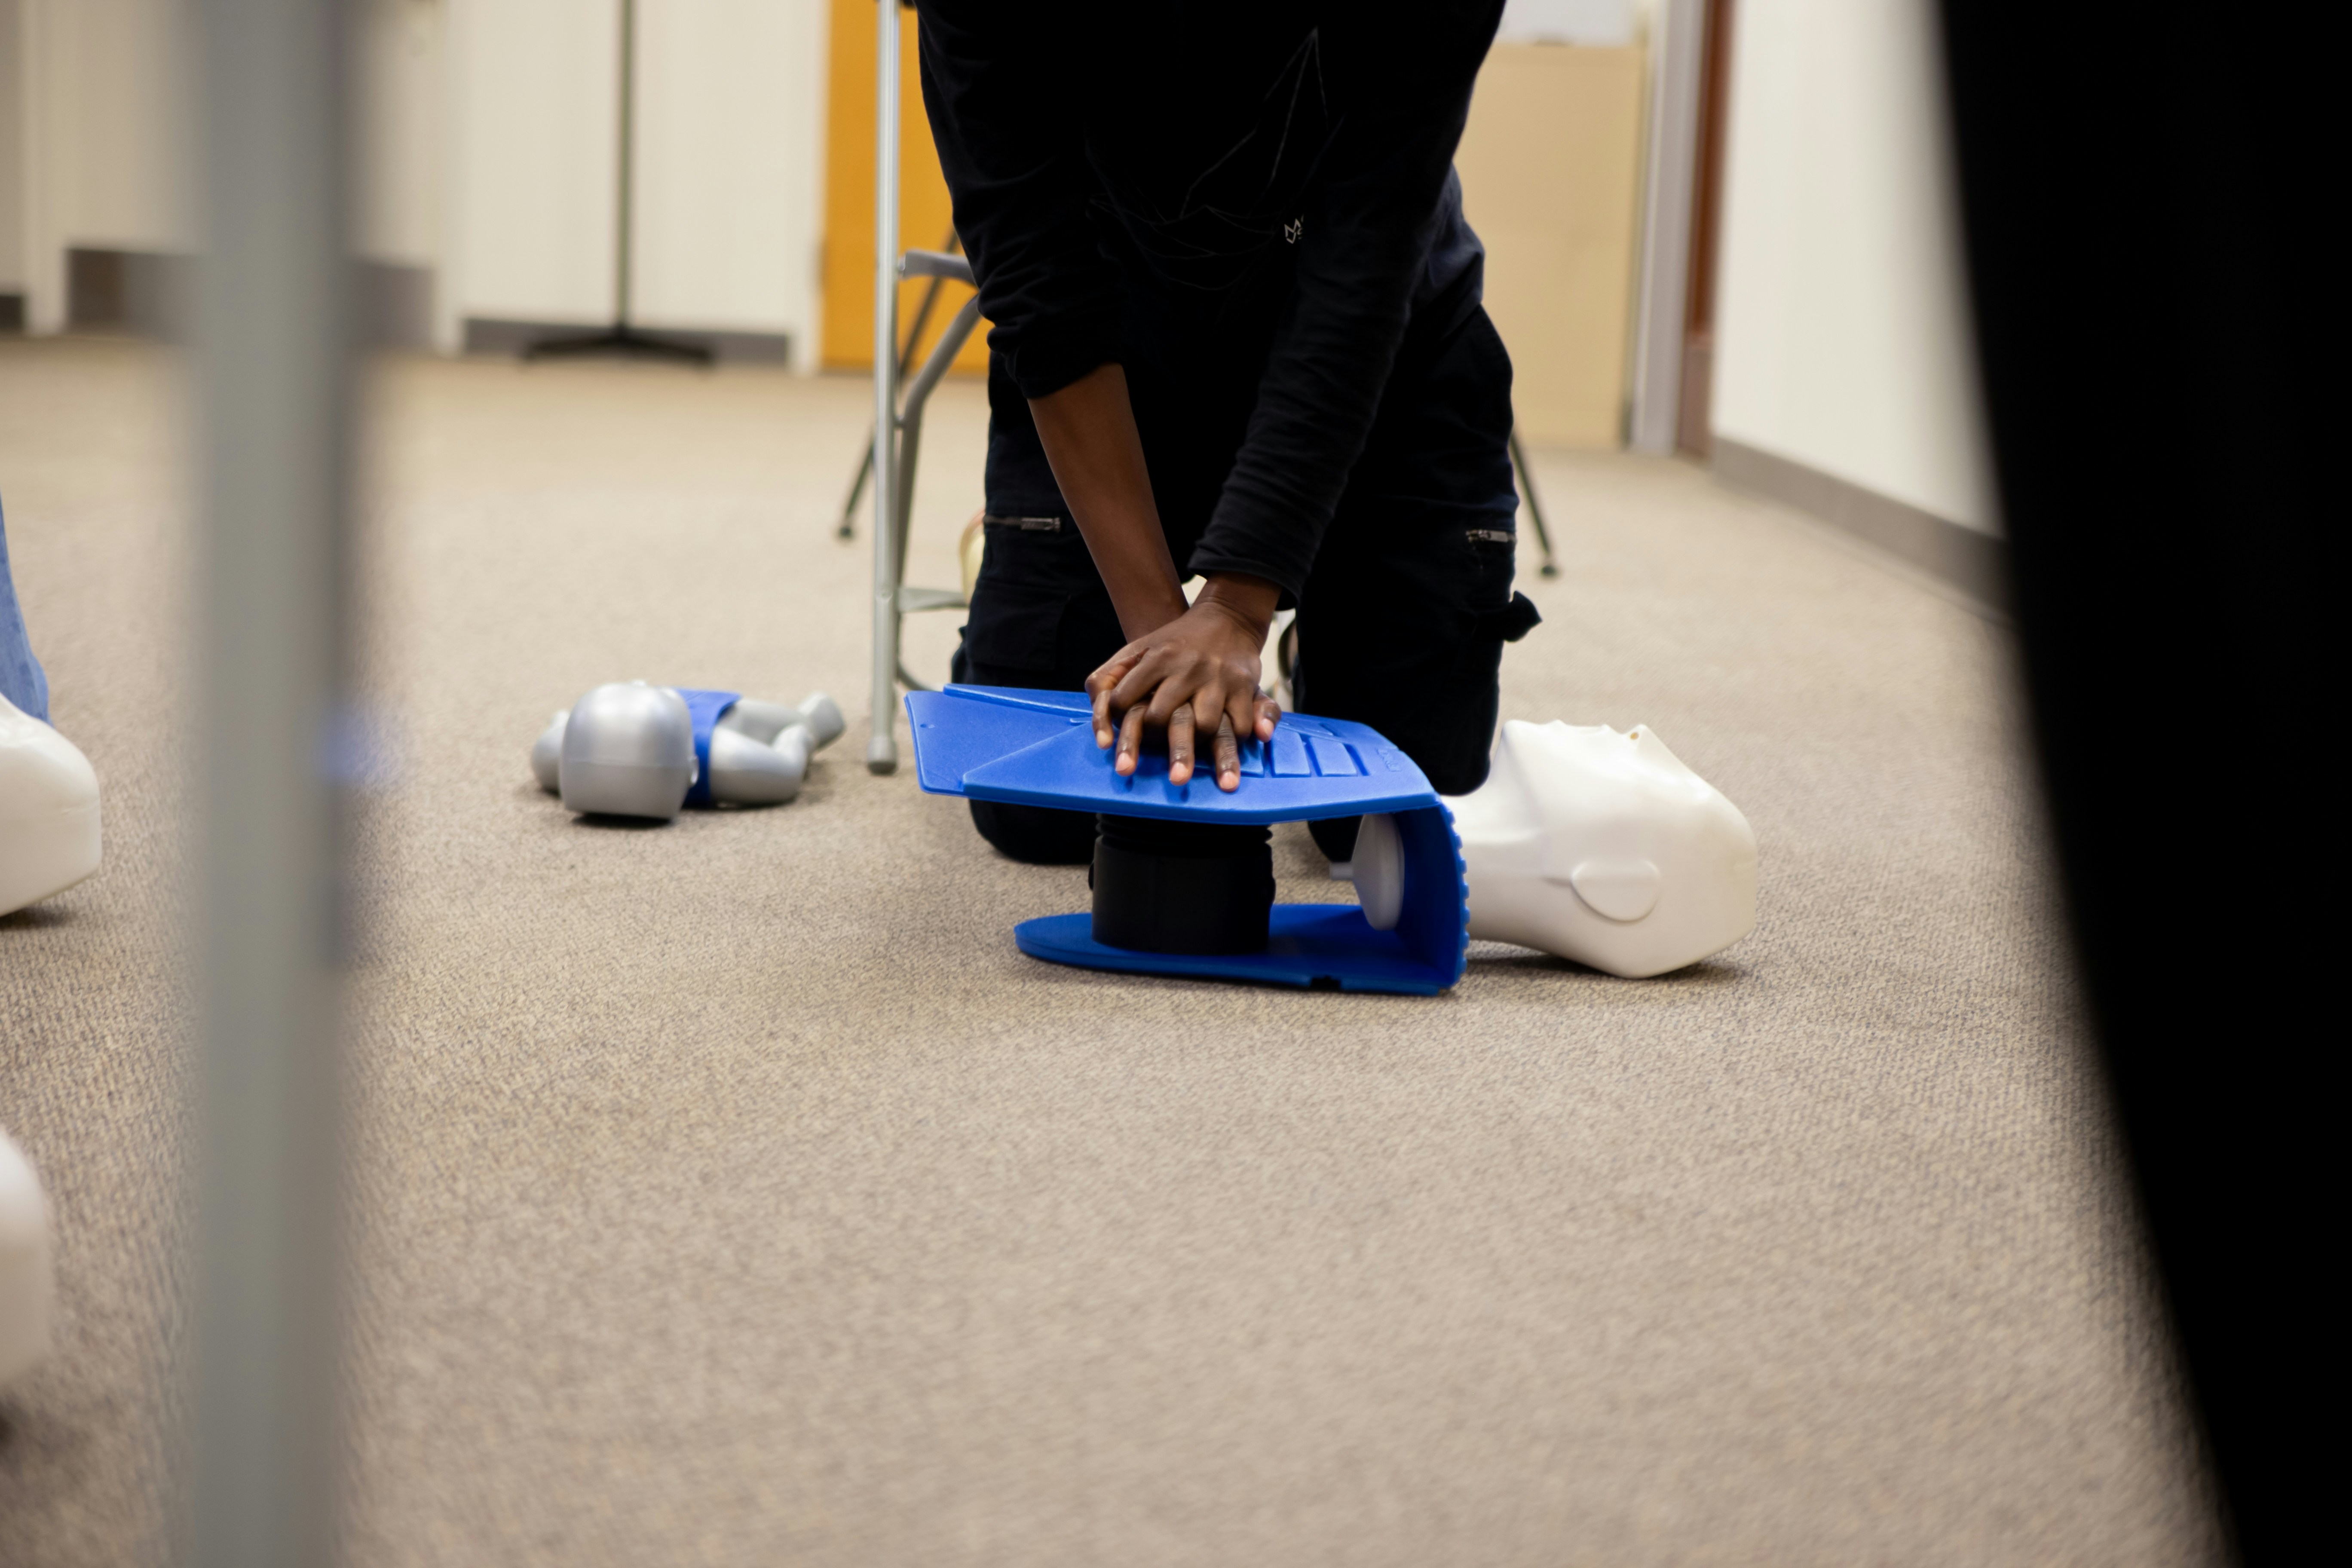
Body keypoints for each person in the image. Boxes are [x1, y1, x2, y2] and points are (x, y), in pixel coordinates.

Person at [922, 1, 1540, 866]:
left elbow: (1360, 276)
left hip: (1389, 370)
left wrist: (1238, 606)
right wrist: (1162, 655)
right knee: (1041, 815)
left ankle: (1324, 613)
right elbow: (1043, 294)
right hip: (1125, 370)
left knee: (1383, 825)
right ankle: (1024, 565)